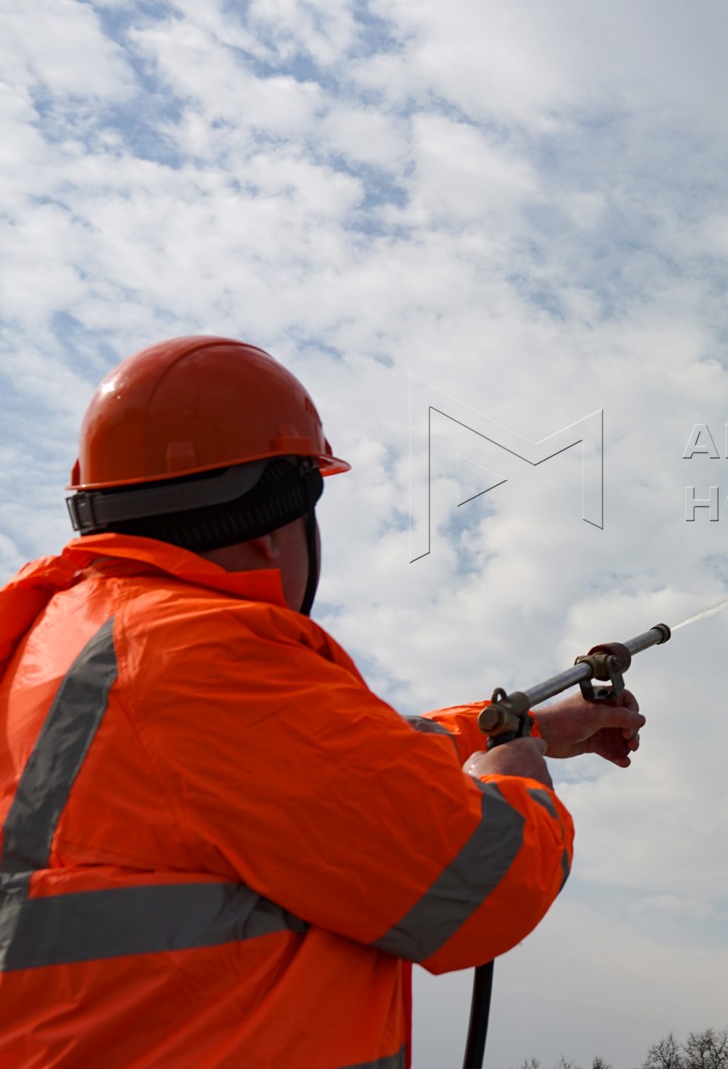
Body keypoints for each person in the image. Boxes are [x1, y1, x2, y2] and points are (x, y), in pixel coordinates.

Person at [0, 335, 645, 1067]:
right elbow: (482, 882)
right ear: (277, 527)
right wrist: (520, 769)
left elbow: (336, 765)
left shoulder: (64, 642)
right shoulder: (201, 657)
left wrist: (516, 723)